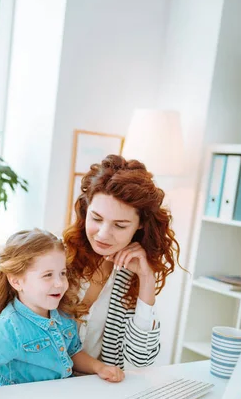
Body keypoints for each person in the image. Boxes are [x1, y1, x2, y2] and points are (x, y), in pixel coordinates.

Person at [0, 228, 124, 399]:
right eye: (48, 275)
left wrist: (99, 367)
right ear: (17, 282)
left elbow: (73, 352)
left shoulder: (61, 313)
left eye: (62, 273)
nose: (60, 283)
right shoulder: (9, 327)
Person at [63, 154, 181, 370]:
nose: (103, 235)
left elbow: (140, 360)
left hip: (95, 389)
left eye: (120, 225)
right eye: (96, 219)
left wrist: (146, 279)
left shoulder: (129, 275)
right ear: (85, 210)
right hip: (43, 385)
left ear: (140, 225)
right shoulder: (59, 259)